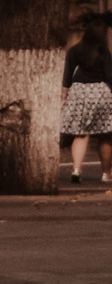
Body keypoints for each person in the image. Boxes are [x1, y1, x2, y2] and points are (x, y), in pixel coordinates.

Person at [60, 18, 112, 187]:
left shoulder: (74, 51)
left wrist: (64, 98)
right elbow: (110, 76)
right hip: (101, 93)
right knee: (105, 135)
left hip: (79, 92)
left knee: (81, 134)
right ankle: (106, 173)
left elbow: (67, 77)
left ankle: (76, 170)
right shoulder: (104, 52)